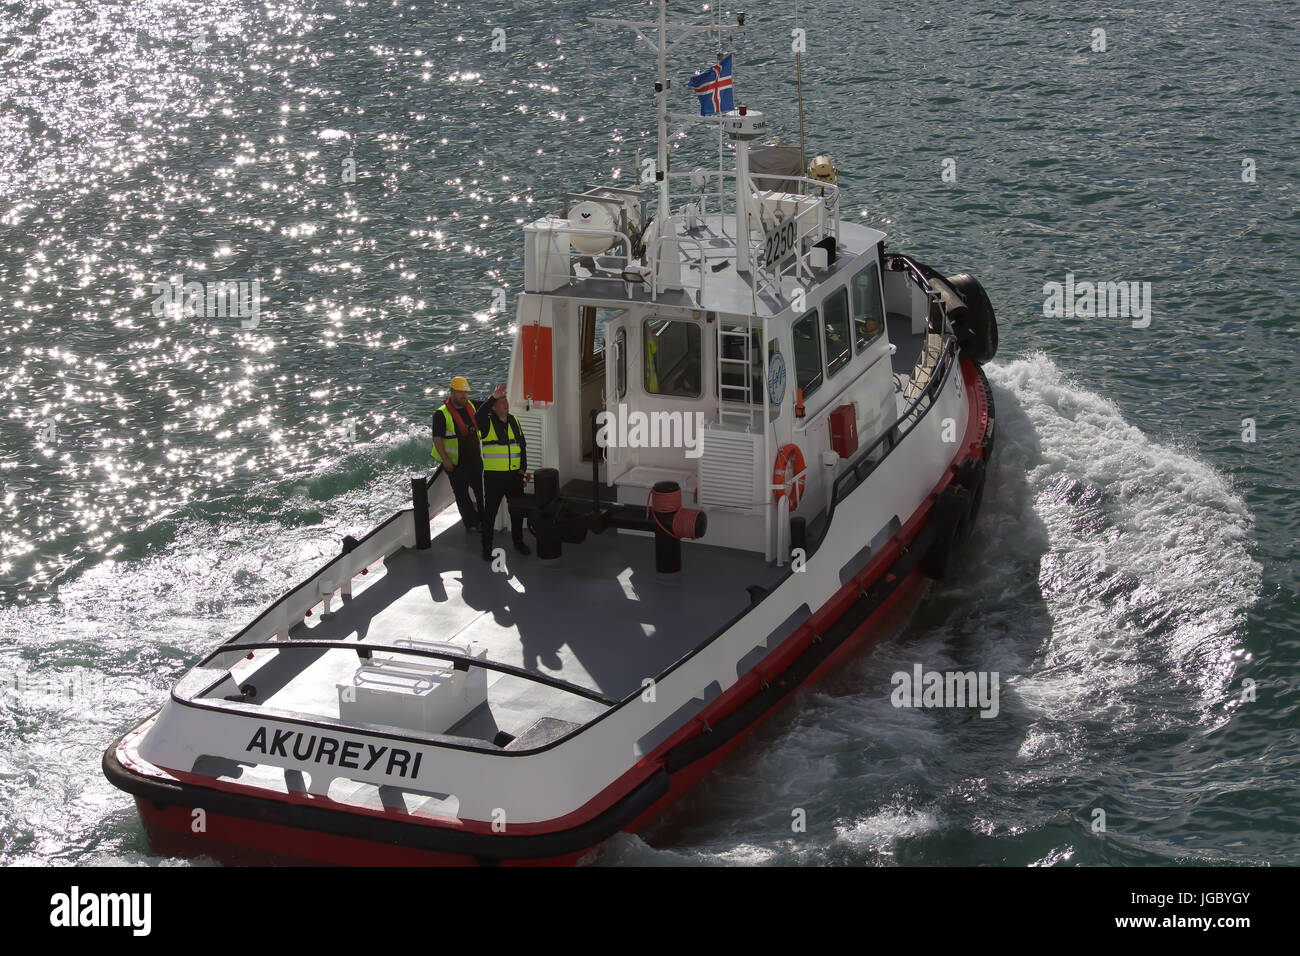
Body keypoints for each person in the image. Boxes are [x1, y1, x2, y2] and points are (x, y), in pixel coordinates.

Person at [431, 376, 494, 533]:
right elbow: (437, 438)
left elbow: (487, 407)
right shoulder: (441, 414)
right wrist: (445, 460)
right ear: (452, 392)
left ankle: (485, 519)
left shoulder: (471, 405)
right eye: (460, 393)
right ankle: (472, 523)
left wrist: (496, 398)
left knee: (481, 492)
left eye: (466, 393)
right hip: (456, 464)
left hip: (475, 460)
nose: (464, 396)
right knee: (462, 496)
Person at [475, 386, 530, 561]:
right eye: (501, 402)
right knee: (490, 513)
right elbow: (477, 416)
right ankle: (487, 547)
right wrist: (493, 397)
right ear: (493, 407)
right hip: (494, 478)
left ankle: (518, 541)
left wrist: (522, 469)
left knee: (517, 511)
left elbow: (522, 446)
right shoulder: (486, 423)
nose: (505, 403)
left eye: (506, 400)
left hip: (514, 476)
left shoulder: (514, 421)